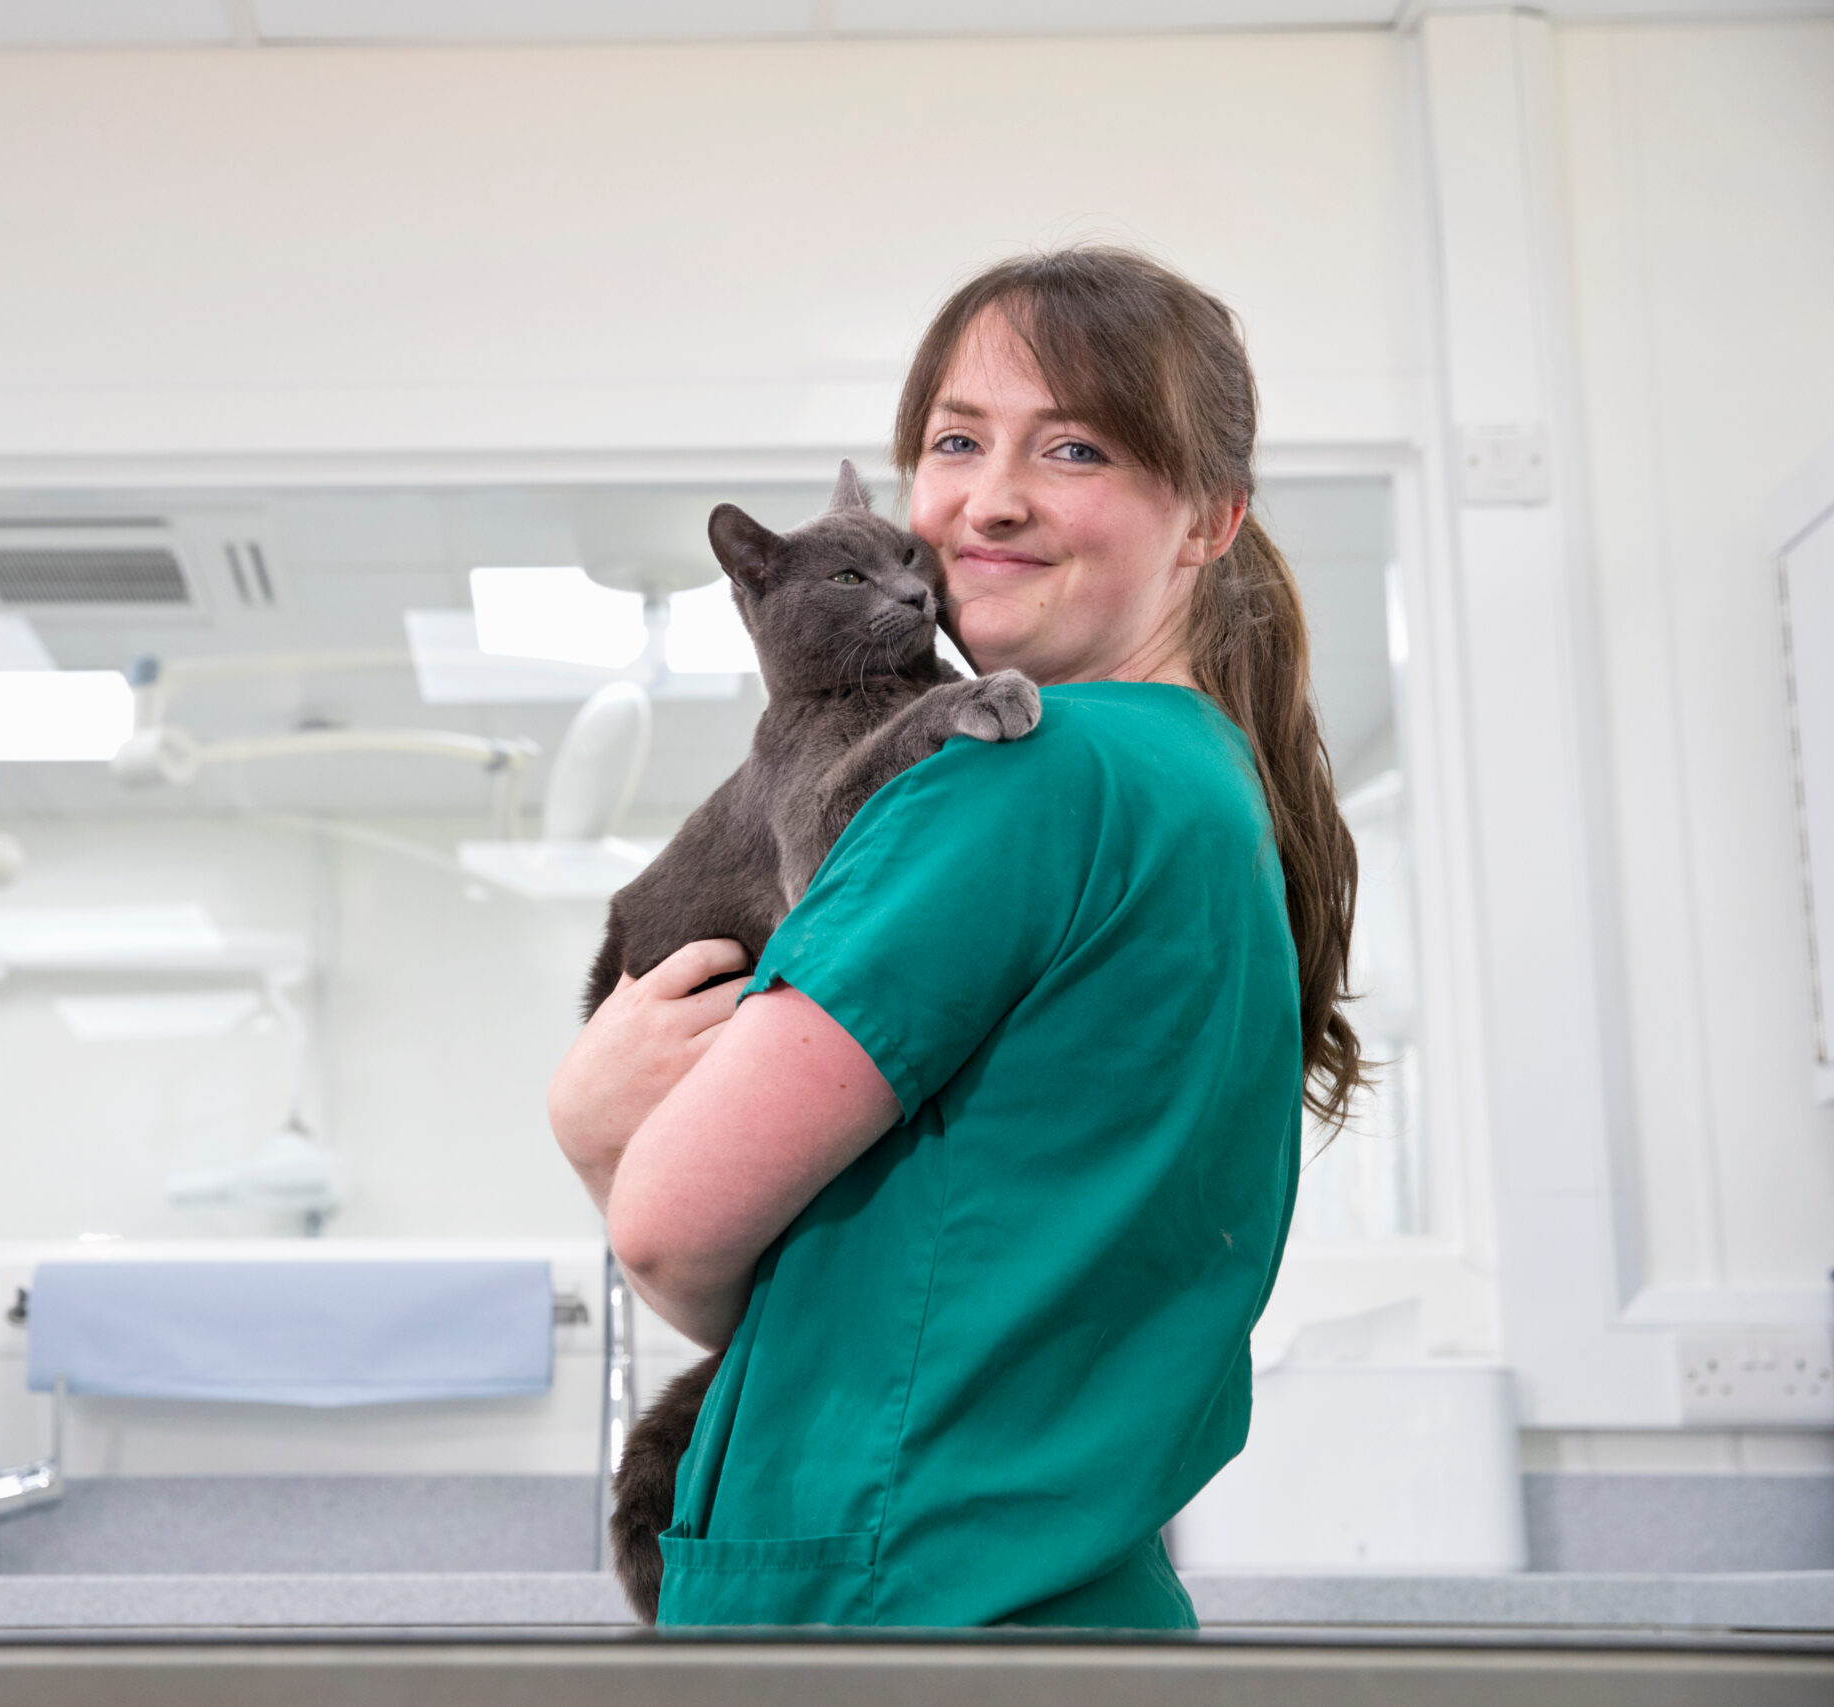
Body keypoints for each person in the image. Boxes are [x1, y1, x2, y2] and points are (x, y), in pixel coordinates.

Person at [548, 247, 1363, 1628]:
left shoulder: (1024, 768)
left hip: (909, 1620)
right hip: (1047, 1605)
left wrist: (590, 1122)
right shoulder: (1207, 786)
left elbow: (675, 1231)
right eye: (955, 440)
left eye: (1078, 448)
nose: (991, 497)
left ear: (1211, 519)